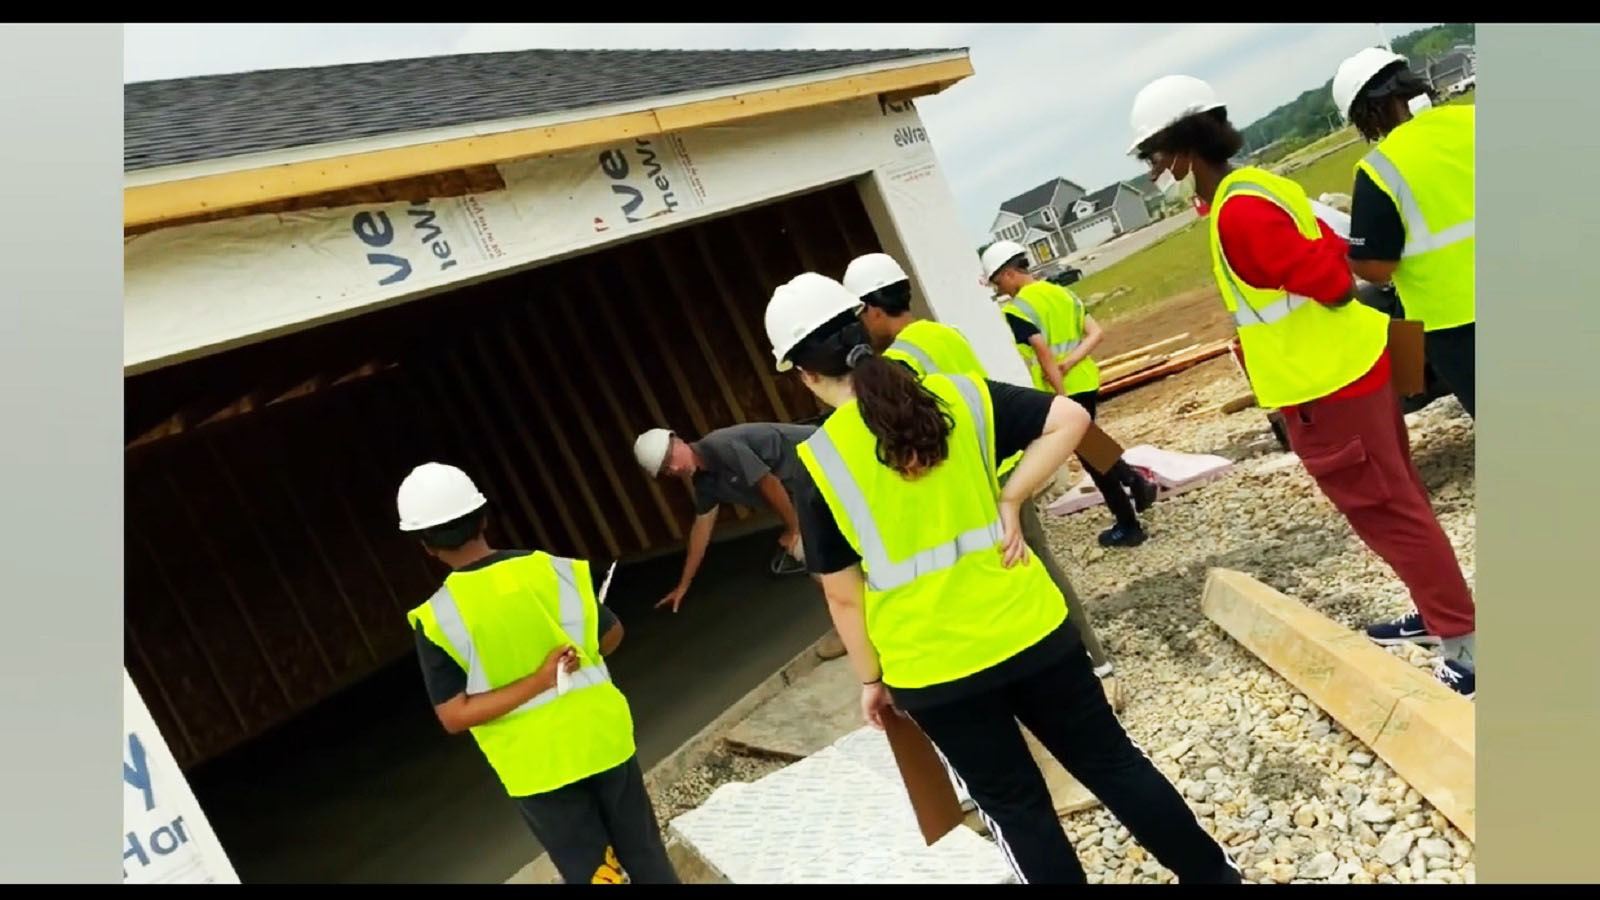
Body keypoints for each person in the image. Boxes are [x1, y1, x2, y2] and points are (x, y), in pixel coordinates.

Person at [764, 271, 1241, 884]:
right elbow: (1068, 418)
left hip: (935, 670)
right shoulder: (959, 397)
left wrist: (870, 679)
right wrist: (1011, 496)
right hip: (1032, 630)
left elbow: (842, 595)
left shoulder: (818, 463)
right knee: (1113, 765)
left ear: (804, 374)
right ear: (865, 329)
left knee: (1016, 810)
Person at [1126, 74, 1475, 697]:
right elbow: (1333, 243)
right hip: (1352, 366)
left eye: (1155, 154)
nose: (1156, 169)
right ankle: (1439, 613)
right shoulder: (1252, 187)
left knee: (1390, 512)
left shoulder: (1241, 212)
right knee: (1399, 502)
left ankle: (1466, 644)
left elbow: (1335, 283)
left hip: (1329, 386)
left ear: (1181, 149)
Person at [843, 251, 1123, 708]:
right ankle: (1089, 662)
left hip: (976, 481)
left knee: (1014, 575)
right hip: (1006, 455)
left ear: (872, 308)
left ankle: (1071, 672)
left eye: (859, 314)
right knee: (1038, 565)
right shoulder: (943, 334)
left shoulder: (899, 361)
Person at [395, 462, 678, 885]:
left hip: (536, 768)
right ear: (484, 518)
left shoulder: (437, 619)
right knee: (645, 854)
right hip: (602, 737)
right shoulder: (550, 569)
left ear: (426, 545)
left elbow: (454, 715)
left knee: (596, 873)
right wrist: (571, 661)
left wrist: (538, 681)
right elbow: (612, 634)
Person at [980, 239, 1159, 548]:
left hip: (1061, 390)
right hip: (1086, 381)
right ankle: (1135, 484)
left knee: (1093, 458)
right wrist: (1074, 361)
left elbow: (1044, 353)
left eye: (999, 283)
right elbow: (1096, 333)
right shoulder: (1063, 294)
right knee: (1092, 444)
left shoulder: (1019, 308)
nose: (1002, 290)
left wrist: (1059, 397)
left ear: (1008, 273)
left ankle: (1130, 523)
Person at [1333, 46, 1476, 418]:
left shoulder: (1380, 169)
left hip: (1455, 325)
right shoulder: (1476, 119)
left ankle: (1409, 393)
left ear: (1368, 114)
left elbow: (1376, 268)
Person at [633, 424, 847, 659]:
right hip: (810, 487)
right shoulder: (705, 483)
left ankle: (849, 627)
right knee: (820, 556)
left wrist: (794, 528)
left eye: (671, 457)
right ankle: (852, 621)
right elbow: (701, 529)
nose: (675, 467)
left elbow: (768, 482)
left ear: (679, 440)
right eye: (667, 469)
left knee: (813, 553)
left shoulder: (720, 447)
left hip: (831, 457)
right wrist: (684, 584)